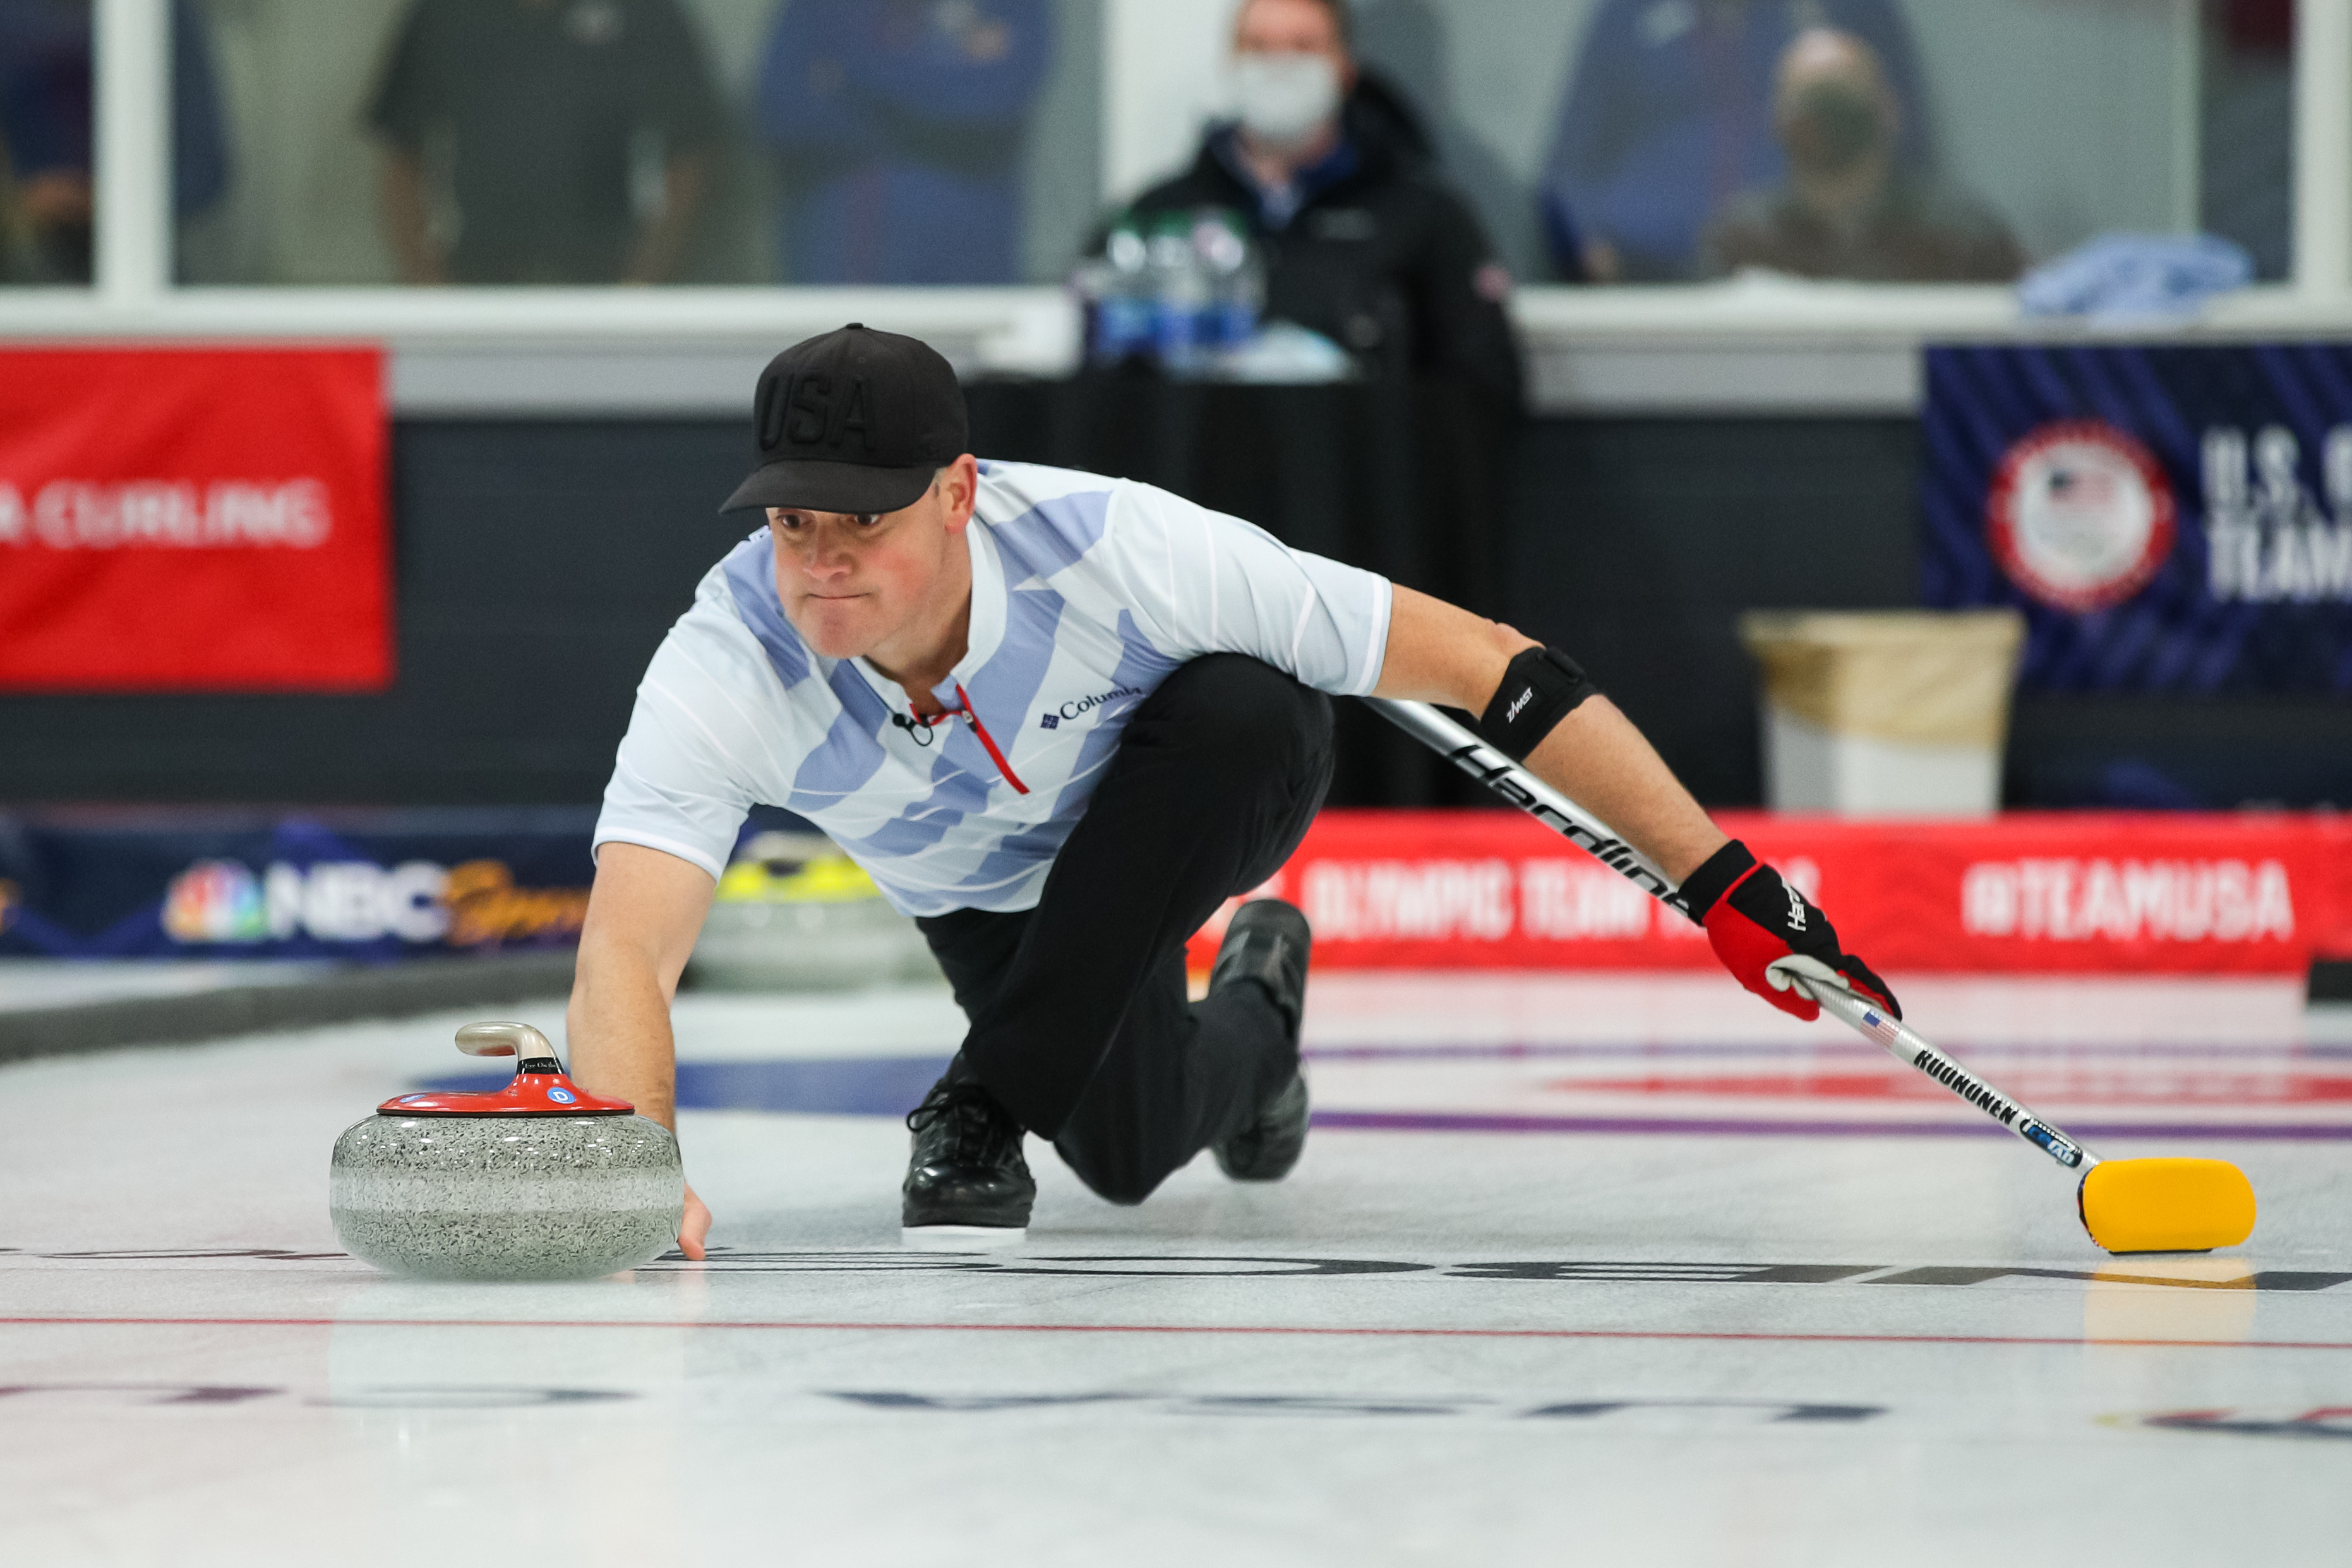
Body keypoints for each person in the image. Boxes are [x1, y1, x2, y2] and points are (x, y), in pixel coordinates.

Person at [568, 323, 1900, 1252]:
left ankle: (980, 1097)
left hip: (1196, 786)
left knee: (1245, 702)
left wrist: (1723, 882)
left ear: (959, 491)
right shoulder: (730, 652)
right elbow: (629, 940)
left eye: (863, 520)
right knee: (1131, 1149)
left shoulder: (1118, 547)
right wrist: (631, 1171)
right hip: (994, 898)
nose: (822, 564)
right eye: (793, 523)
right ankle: (1258, 997)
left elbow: (1492, 667)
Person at [1106, 0, 1522, 409]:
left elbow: (1485, 387)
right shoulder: (1158, 215)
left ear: (1344, 67)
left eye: (1303, 47)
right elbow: (1106, 388)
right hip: (1197, 466)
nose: (1279, 66)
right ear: (1231, 62)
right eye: (1259, 47)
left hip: (1362, 466)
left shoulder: (1424, 216)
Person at [1541, 0, 1928, 282]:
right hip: (1644, 267)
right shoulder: (1627, 15)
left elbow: (1909, 148)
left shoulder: (1847, 13)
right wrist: (1583, 244)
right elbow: (1567, 169)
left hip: (1801, 263)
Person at [366, 0, 726, 285]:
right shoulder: (448, 12)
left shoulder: (641, 11)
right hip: (479, 277)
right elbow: (402, 151)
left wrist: (643, 282)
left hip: (603, 277)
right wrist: (430, 284)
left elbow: (689, 151)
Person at [754, 0, 1055, 285]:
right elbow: (781, 113)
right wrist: (931, 90)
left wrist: (850, 76)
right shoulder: (825, 7)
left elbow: (994, 101)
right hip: (838, 270)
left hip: (967, 277)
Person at [1701, 28, 2022, 284]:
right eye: (1812, 102)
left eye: (1840, 98)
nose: (1828, 121)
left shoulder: (1963, 238)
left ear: (1889, 109)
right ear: (1776, 121)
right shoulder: (1741, 244)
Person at [0, 0, 228, 284]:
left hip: (147, 275)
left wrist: (100, 199)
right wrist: (20, 198)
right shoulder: (13, 18)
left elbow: (204, 166)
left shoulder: (155, 15)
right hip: (25, 271)